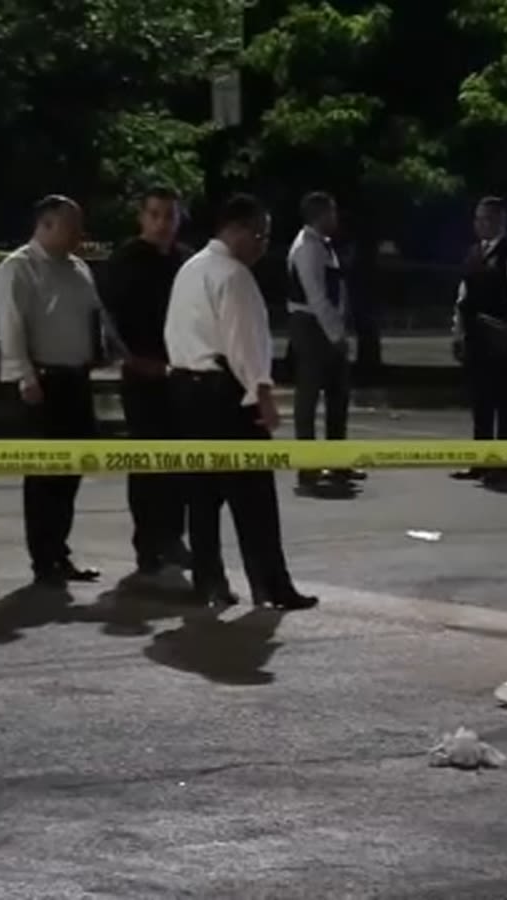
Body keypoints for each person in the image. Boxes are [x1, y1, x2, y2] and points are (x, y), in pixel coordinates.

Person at [164, 193, 318, 611]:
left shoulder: (190, 269)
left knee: (202, 495)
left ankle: (209, 583)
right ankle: (271, 585)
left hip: (185, 390)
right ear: (235, 230)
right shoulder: (234, 276)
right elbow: (244, 345)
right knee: (254, 498)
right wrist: (262, 396)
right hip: (225, 394)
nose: (263, 244)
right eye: (260, 234)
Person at [0, 195, 111, 588]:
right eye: (71, 226)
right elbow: (11, 326)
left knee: (71, 471)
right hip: (43, 381)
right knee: (45, 474)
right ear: (46, 224)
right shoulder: (19, 269)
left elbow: (93, 315)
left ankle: (59, 550)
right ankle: (43, 558)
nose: (80, 234)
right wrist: (24, 376)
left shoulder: (77, 268)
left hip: (75, 378)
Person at [100, 186, 192, 578]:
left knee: (181, 461)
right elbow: (108, 319)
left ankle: (174, 537)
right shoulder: (125, 260)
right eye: (154, 214)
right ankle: (147, 543)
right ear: (142, 217)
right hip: (141, 374)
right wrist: (133, 360)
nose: (161, 223)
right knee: (147, 462)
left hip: (181, 374)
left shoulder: (187, 261)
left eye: (169, 215)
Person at [449, 196, 507, 486]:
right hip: (476, 341)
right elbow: (463, 297)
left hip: (502, 343)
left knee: (505, 406)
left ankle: (503, 466)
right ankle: (481, 462)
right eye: (478, 219)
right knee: (480, 405)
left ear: (501, 221)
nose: (481, 224)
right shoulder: (473, 254)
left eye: (487, 218)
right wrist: (457, 331)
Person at [286, 191, 362, 493]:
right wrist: (336, 335)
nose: (336, 218)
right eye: (332, 212)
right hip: (310, 326)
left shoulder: (323, 246)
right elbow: (316, 296)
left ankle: (337, 462)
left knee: (337, 395)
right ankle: (308, 467)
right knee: (309, 397)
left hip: (324, 324)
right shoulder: (307, 248)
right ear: (320, 215)